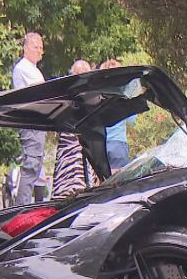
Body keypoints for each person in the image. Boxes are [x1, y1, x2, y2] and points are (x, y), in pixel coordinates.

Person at [51, 59, 98, 199]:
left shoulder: (92, 94)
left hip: (82, 144)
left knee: (82, 182)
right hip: (69, 146)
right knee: (70, 182)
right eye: (78, 73)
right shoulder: (67, 93)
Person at [12, 32, 47, 205]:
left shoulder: (34, 69)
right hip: (31, 123)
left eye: (41, 48)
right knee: (31, 165)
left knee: (36, 165)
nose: (39, 51)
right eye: (35, 47)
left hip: (38, 124)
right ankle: (22, 207)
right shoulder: (23, 68)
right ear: (25, 48)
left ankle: (24, 205)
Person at [98, 58, 136, 173]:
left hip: (100, 144)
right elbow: (131, 120)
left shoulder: (99, 96)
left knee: (101, 182)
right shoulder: (122, 96)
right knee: (116, 182)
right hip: (118, 143)